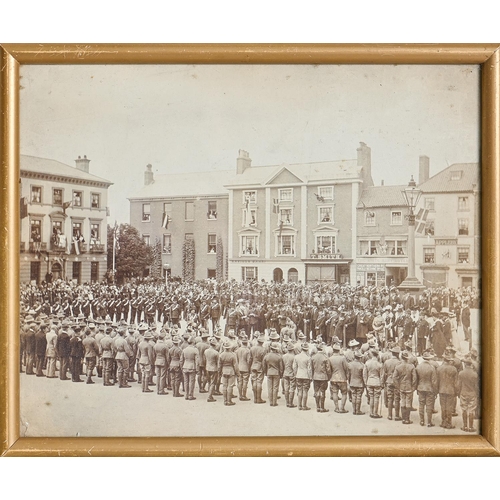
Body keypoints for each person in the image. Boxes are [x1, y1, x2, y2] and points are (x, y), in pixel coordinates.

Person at [393, 350, 418, 424]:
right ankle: (407, 419)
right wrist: (413, 386)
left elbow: (394, 377)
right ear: (407, 358)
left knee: (402, 402)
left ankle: (403, 419)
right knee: (408, 402)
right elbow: (414, 378)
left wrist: (397, 386)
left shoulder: (398, 367)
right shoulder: (411, 366)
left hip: (401, 386)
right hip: (409, 386)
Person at [456, 354, 479, 432]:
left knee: (464, 409)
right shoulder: (474, 374)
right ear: (471, 364)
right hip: (472, 393)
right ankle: (471, 427)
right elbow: (476, 386)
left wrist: (458, 393)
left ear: (465, 364)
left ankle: (465, 426)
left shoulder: (461, 373)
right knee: (471, 410)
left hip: (463, 392)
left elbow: (458, 385)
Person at [437, 352, 459, 429]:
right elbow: (456, 382)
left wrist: (437, 390)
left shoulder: (439, 368)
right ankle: (449, 423)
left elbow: (437, 380)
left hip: (441, 389)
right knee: (449, 407)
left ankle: (443, 422)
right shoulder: (453, 369)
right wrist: (456, 391)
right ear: (449, 360)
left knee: (443, 406)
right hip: (450, 390)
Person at [415, 350, 438, 427]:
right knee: (429, 405)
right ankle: (429, 422)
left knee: (421, 405)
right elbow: (434, 381)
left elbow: (416, 379)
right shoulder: (432, 368)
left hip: (420, 388)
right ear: (429, 359)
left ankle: (421, 421)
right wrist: (435, 391)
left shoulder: (418, 367)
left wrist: (416, 388)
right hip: (429, 388)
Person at [328, 343, 349, 413]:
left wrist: (330, 376)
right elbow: (346, 368)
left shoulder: (330, 359)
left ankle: (336, 407)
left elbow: (328, 369)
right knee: (344, 393)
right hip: (342, 378)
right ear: (339, 350)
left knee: (334, 392)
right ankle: (342, 408)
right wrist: (347, 376)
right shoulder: (342, 358)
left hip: (333, 378)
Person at [382, 345, 402, 421]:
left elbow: (384, 373)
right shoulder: (399, 362)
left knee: (390, 399)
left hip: (389, 381)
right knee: (397, 399)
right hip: (397, 382)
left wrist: (383, 382)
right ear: (397, 354)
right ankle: (397, 415)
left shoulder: (387, 362)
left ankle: (389, 415)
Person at [262, 342, 284, 407]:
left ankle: (271, 402)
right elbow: (281, 367)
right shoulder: (279, 357)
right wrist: (281, 374)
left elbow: (264, 365)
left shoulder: (266, 356)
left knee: (269, 387)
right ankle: (274, 402)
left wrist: (265, 372)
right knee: (275, 388)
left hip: (269, 372)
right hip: (276, 373)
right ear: (276, 349)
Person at [363, 348, 383, 419]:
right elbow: (381, 376)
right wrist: (382, 384)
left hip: (369, 381)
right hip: (377, 382)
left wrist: (366, 382)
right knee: (376, 397)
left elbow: (364, 374)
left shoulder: (367, 363)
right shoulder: (379, 364)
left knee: (371, 397)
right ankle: (375, 413)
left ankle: (371, 412)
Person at [311, 343, 331, 413]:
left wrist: (312, 376)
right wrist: (329, 377)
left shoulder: (313, 357)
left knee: (316, 391)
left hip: (315, 376)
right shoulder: (325, 357)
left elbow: (311, 368)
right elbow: (328, 369)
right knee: (322, 392)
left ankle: (318, 407)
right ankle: (322, 407)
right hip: (323, 376)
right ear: (323, 349)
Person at [218, 341, 240, 406]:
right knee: (230, 386)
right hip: (231, 371)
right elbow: (235, 365)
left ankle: (225, 400)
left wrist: (219, 372)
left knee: (224, 386)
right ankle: (229, 400)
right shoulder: (233, 355)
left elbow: (219, 365)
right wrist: (238, 373)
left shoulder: (221, 355)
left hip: (224, 371)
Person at [249, 333, 267, 404]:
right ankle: (258, 398)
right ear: (262, 342)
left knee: (254, 381)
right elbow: (264, 360)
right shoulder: (263, 349)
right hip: (260, 366)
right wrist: (264, 368)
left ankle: (255, 397)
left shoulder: (252, 348)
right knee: (259, 382)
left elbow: (250, 359)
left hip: (253, 365)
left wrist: (249, 366)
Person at [293, 342, 312, 411]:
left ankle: (299, 405)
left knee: (299, 390)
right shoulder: (308, 358)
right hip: (306, 375)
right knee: (305, 391)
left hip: (298, 375)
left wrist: (295, 374)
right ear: (307, 350)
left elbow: (294, 367)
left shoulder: (296, 357)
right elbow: (309, 369)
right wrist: (310, 377)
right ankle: (304, 406)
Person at [181, 335, 199, 401]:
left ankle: (186, 395)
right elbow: (197, 361)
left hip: (185, 366)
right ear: (193, 342)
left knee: (186, 381)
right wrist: (197, 369)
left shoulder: (184, 350)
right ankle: (190, 395)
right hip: (192, 366)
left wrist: (181, 367)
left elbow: (181, 360)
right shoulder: (195, 350)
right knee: (191, 382)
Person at [348, 351, 365, 415]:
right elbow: (363, 376)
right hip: (359, 383)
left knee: (353, 396)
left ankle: (354, 410)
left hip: (352, 382)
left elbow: (348, 375)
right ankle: (357, 410)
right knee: (359, 397)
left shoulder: (349, 364)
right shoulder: (362, 365)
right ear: (359, 358)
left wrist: (349, 382)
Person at [153, 331, 170, 395]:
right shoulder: (165, 346)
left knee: (158, 375)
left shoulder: (155, 345)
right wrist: (168, 363)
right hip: (163, 361)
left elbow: (153, 355)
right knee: (162, 376)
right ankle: (161, 389)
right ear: (163, 338)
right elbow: (167, 357)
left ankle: (158, 389)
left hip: (157, 361)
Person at [235, 335, 251, 401]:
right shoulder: (247, 351)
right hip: (245, 368)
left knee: (239, 382)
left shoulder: (237, 350)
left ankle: (240, 395)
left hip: (239, 367)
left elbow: (236, 360)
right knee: (245, 382)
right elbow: (248, 361)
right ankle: (244, 395)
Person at [204, 337, 220, 402]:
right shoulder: (216, 353)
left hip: (207, 367)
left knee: (209, 382)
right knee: (213, 383)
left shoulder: (206, 351)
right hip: (214, 368)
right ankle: (210, 396)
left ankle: (210, 394)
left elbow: (205, 359)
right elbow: (218, 363)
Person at [282, 342, 297, 408]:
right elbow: (294, 367)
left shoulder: (284, 356)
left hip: (285, 373)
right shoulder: (294, 357)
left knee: (286, 388)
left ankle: (287, 402)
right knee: (292, 388)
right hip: (292, 373)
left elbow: (282, 365)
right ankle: (291, 403)